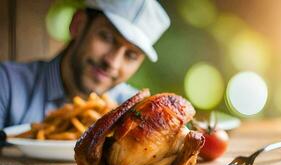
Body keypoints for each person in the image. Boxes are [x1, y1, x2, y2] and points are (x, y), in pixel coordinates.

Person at [0, 0, 170, 128]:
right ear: (78, 24)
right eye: (107, 38)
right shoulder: (7, 84)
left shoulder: (136, 112)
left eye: (131, 55)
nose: (112, 62)